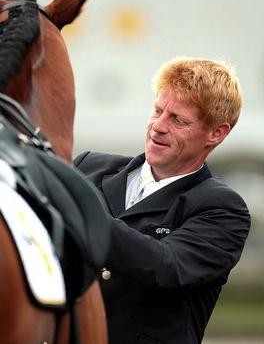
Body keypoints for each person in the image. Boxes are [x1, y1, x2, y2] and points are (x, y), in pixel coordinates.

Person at [74, 57, 251, 344]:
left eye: (178, 120)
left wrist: (78, 209)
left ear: (217, 133)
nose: (158, 126)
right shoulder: (87, 167)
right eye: (157, 111)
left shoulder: (224, 208)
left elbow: (166, 266)